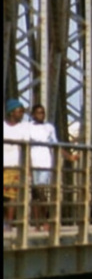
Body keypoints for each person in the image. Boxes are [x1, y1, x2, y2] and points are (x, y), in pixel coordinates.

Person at [28, 104, 79, 231]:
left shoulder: (49, 128)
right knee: (35, 194)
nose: (41, 115)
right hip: (33, 163)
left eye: (43, 112)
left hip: (45, 162)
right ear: (33, 115)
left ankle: (44, 220)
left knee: (42, 192)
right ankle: (38, 223)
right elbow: (25, 147)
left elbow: (56, 145)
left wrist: (69, 156)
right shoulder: (27, 128)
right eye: (38, 113)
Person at [4, 99, 29, 231]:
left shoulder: (23, 128)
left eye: (22, 111)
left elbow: (26, 149)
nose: (22, 114)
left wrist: (27, 167)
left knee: (11, 196)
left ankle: (8, 222)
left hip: (14, 165)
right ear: (11, 112)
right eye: (19, 111)